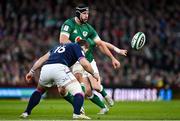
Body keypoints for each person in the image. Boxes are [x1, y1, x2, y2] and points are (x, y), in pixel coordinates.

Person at [59, 4, 127, 114]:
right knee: (87, 92)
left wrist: (114, 57)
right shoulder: (69, 24)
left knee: (94, 86)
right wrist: (77, 49)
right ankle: (103, 107)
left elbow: (101, 43)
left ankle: (93, 101)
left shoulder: (88, 29)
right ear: (78, 13)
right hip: (76, 60)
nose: (87, 16)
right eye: (84, 13)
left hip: (89, 61)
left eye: (88, 14)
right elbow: (62, 40)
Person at [20, 40, 98, 119]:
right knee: (79, 91)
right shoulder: (77, 46)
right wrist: (94, 73)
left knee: (39, 90)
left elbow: (42, 59)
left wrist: (31, 71)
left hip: (46, 68)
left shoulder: (57, 47)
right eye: (85, 51)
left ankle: (26, 112)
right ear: (84, 47)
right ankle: (77, 113)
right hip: (60, 68)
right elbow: (84, 63)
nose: (85, 52)